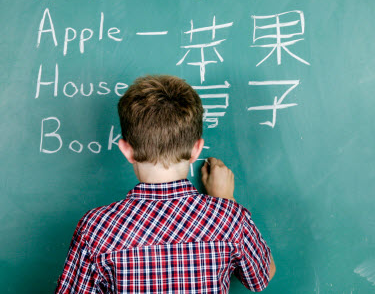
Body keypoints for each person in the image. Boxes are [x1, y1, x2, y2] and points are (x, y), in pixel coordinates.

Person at [56, 75, 275, 293]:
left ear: (126, 150)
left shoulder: (96, 229)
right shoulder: (229, 218)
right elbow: (262, 277)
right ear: (196, 149)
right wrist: (226, 199)